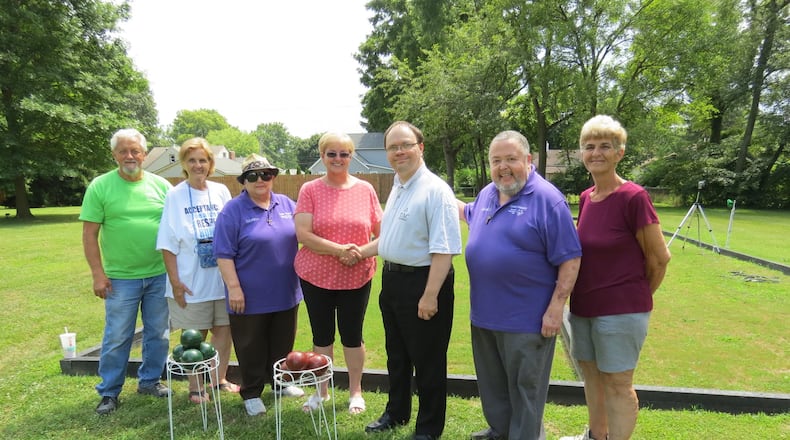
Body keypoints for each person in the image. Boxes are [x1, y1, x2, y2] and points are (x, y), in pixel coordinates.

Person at [459, 131, 582, 440]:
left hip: (527, 320)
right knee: (493, 384)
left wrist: (556, 309)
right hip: (484, 315)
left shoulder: (547, 200)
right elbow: (466, 213)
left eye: (511, 159)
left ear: (529, 160)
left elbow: (570, 260)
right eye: (496, 160)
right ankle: (500, 431)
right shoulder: (488, 193)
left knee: (526, 389)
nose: (504, 167)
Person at [560, 115, 671, 440]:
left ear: (620, 152)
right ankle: (596, 436)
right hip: (583, 310)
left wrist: (633, 300)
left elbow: (660, 258)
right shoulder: (586, 198)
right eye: (589, 146)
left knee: (618, 385)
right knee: (592, 380)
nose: (596, 153)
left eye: (605, 146)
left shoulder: (634, 198)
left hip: (621, 312)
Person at [360, 121, 462, 440]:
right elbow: (391, 237)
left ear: (421, 147)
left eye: (405, 145)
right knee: (397, 356)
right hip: (392, 282)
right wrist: (357, 252)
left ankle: (429, 428)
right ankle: (397, 411)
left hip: (424, 283)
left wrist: (430, 296)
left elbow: (444, 250)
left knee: (428, 361)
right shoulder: (399, 184)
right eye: (393, 147)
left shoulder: (435, 190)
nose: (399, 151)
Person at [79, 128, 173, 415]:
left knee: (159, 333)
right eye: (123, 151)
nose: (129, 156)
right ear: (114, 155)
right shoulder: (100, 186)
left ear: (144, 154)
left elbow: (175, 230)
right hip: (120, 278)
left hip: (159, 274)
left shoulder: (162, 186)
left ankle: (149, 381)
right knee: (118, 335)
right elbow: (89, 234)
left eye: (135, 151)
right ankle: (109, 392)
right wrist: (98, 273)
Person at [293, 132, 383, 414]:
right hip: (316, 276)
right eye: (331, 154)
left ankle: (356, 391)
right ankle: (321, 392)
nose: (338, 159)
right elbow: (303, 234)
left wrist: (358, 253)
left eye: (344, 154)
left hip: (357, 277)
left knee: (352, 336)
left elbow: (382, 234)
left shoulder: (366, 189)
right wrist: (339, 250)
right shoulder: (309, 189)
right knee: (322, 336)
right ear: (322, 157)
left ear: (351, 156)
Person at [213, 153, 304, 417]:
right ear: (243, 181)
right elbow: (223, 254)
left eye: (266, 174)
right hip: (248, 295)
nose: (260, 180)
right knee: (250, 345)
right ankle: (251, 392)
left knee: (282, 343)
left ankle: (280, 383)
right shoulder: (233, 211)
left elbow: (308, 232)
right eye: (252, 176)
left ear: (273, 177)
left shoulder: (287, 204)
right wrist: (234, 288)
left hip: (286, 291)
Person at [156, 137, 239, 405]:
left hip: (220, 279)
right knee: (194, 335)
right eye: (192, 160)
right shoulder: (175, 195)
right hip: (190, 279)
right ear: (184, 164)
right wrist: (175, 282)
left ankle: (219, 379)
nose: (198, 165)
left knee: (224, 331)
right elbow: (167, 243)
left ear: (210, 163)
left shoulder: (221, 191)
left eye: (203, 160)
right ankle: (195, 388)